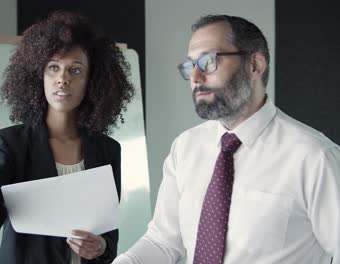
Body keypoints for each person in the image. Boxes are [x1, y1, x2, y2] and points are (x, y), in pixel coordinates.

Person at [113, 14, 340, 264]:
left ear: (255, 65)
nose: (195, 78)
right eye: (190, 66)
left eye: (208, 61)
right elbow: (163, 242)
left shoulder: (314, 157)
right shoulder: (185, 148)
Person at [0, 10, 134, 264]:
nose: (62, 79)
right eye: (53, 68)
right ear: (39, 75)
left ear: (91, 81)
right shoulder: (11, 144)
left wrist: (101, 246)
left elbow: (108, 239)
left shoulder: (108, 149)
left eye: (75, 70)